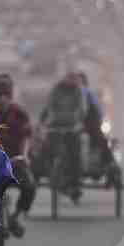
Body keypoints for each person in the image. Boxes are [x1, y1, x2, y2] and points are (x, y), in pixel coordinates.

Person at [0, 74, 36, 237]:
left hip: (15, 162)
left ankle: (17, 216)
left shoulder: (20, 114)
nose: (2, 99)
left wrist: (24, 156)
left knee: (29, 186)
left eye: (5, 95)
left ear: (10, 96)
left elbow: (26, 138)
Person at [39, 72, 89, 202]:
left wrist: (77, 120)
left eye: (74, 80)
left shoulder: (78, 91)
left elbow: (82, 109)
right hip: (55, 124)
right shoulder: (56, 90)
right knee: (46, 149)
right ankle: (47, 171)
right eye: (70, 79)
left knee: (75, 154)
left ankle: (75, 183)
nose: (72, 82)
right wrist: (51, 119)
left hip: (72, 126)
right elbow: (50, 106)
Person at [76, 71, 118, 174]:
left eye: (79, 81)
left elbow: (98, 109)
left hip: (86, 124)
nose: (78, 84)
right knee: (101, 140)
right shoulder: (82, 93)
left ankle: (108, 161)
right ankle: (109, 161)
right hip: (79, 124)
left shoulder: (88, 93)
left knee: (101, 140)